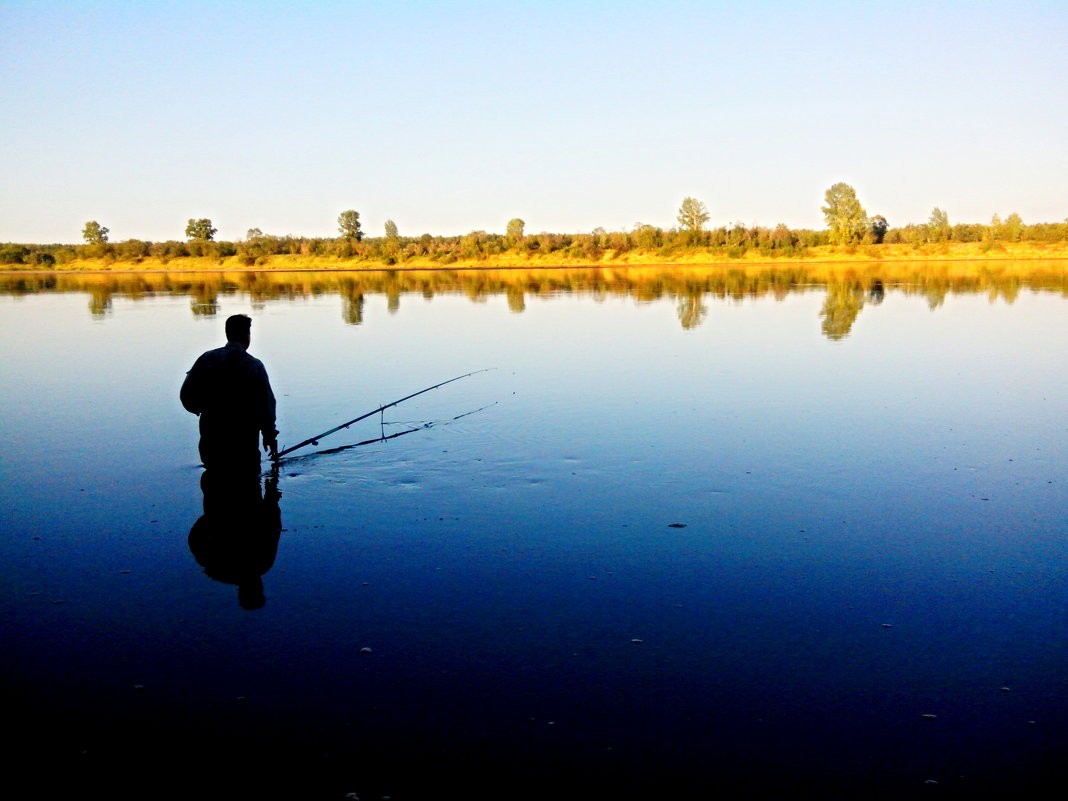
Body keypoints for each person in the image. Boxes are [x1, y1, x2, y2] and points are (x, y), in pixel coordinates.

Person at [180, 314, 278, 470]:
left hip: (211, 436)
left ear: (227, 333)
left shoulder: (207, 359)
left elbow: (186, 394)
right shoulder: (253, 365)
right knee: (248, 485)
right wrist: (269, 435)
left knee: (214, 483)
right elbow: (267, 404)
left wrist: (198, 409)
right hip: (244, 439)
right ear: (247, 335)